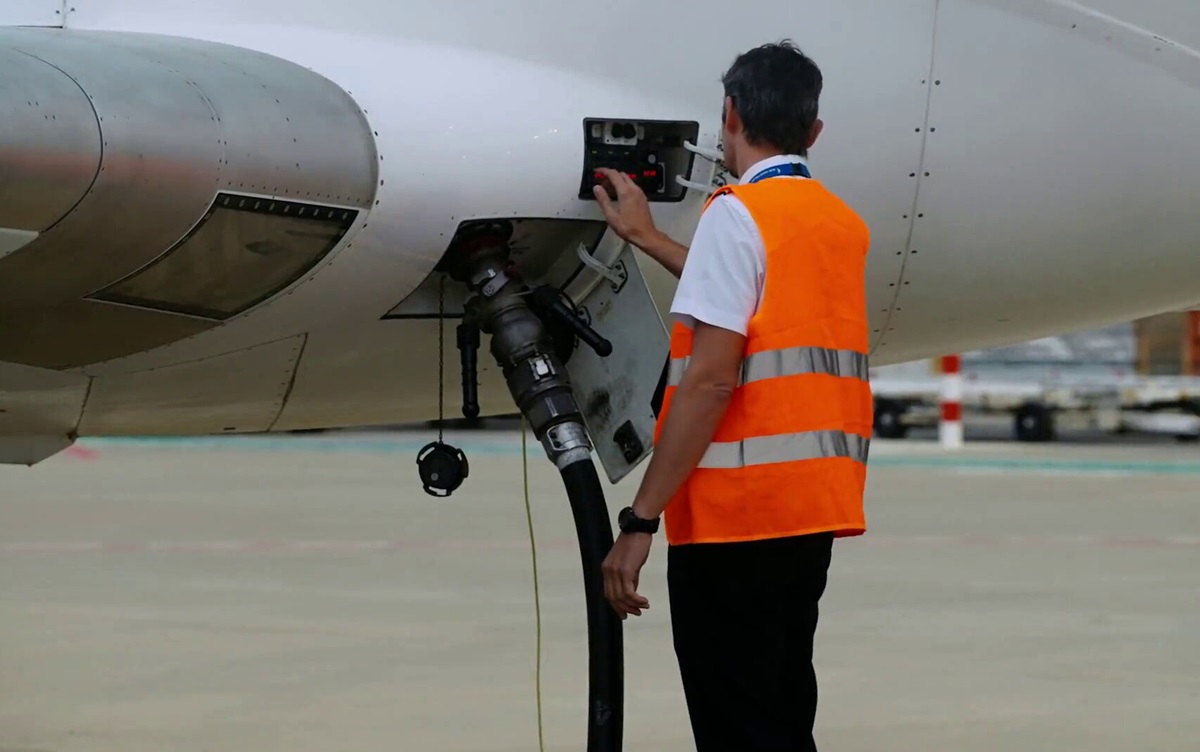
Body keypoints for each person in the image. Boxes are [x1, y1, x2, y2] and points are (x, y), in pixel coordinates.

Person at [592, 40, 874, 751]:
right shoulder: (839, 224)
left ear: (730, 114)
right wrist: (652, 240)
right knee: (781, 713)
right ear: (814, 133)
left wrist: (639, 520)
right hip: (811, 511)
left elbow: (712, 379)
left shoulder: (735, 214)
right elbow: (755, 301)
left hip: (735, 521)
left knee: (736, 728)